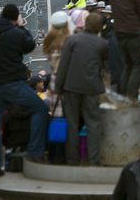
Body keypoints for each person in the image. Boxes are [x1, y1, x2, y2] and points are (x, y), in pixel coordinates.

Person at [0, 4, 49, 176]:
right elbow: (29, 45)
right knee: (39, 109)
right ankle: (34, 152)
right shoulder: (15, 33)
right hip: (12, 83)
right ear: (15, 18)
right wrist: (22, 25)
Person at [55, 12, 109, 166]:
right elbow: (105, 67)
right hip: (92, 87)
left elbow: (63, 64)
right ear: (100, 27)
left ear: (85, 24)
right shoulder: (102, 44)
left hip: (71, 86)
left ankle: (71, 159)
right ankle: (94, 160)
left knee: (72, 123)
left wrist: (58, 87)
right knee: (93, 123)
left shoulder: (72, 40)